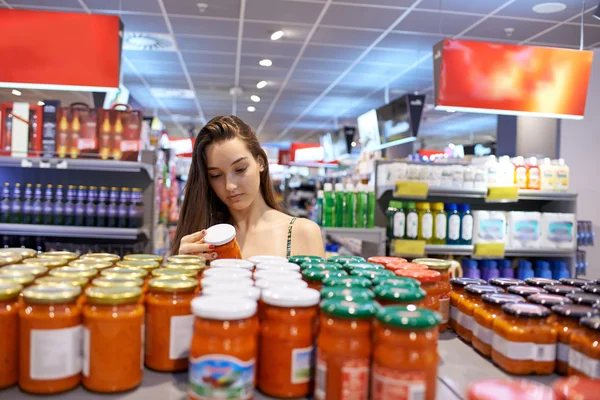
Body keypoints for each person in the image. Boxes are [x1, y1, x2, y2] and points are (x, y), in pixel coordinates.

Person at [172, 115, 325, 260]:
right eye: (216, 175)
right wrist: (183, 270)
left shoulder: (303, 232)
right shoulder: (203, 237)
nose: (230, 186)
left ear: (260, 162)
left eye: (240, 169)